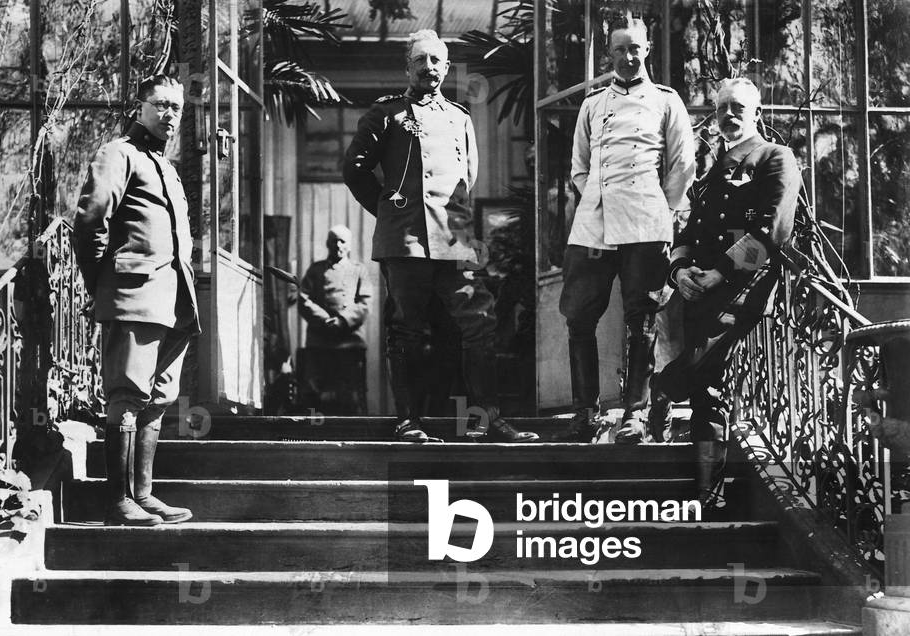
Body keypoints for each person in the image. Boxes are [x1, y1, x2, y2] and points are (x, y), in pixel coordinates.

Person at [343, 29, 537, 443]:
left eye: (436, 61)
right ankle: (409, 421)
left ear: (446, 67)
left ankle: (487, 420)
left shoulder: (459, 118)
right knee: (407, 329)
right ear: (407, 67)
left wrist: (461, 231)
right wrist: (387, 209)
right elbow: (354, 169)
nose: (428, 68)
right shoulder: (386, 114)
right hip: (407, 240)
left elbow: (468, 180)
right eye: (420, 60)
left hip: (453, 241)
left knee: (479, 324)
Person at [662, 77, 800, 504]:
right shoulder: (712, 171)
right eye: (722, 108)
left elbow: (771, 229)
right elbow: (689, 227)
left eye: (738, 107)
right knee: (708, 385)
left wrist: (720, 272)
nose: (729, 115)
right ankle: (707, 493)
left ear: (756, 112)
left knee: (698, 375)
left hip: (741, 289)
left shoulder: (775, 158)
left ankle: (660, 389)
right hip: (699, 289)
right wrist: (680, 270)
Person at [560, 20, 695, 444]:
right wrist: (597, 200)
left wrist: (657, 208)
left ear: (648, 49)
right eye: (620, 50)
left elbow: (682, 166)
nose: (628, 57)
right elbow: (579, 167)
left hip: (645, 224)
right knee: (579, 318)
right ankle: (585, 412)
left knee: (642, 322)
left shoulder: (666, 102)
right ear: (610, 53)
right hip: (593, 227)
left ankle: (634, 414)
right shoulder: (593, 104)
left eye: (635, 49)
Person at [73, 74, 197, 526]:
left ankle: (142, 495)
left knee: (159, 397)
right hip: (133, 295)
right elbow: (90, 222)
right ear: (139, 107)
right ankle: (118, 501)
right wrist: (103, 283)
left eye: (176, 108)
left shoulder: (167, 167)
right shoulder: (118, 154)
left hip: (173, 302)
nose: (169, 115)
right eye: (161, 105)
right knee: (126, 396)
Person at [295, 225, 372, 414]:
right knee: (314, 394)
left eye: (343, 241)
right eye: (334, 240)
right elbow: (303, 300)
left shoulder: (359, 270)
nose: (338, 245)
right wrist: (325, 320)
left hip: (349, 342)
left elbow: (364, 303)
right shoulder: (316, 269)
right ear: (327, 243)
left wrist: (342, 321)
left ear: (350, 245)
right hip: (320, 341)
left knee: (351, 394)